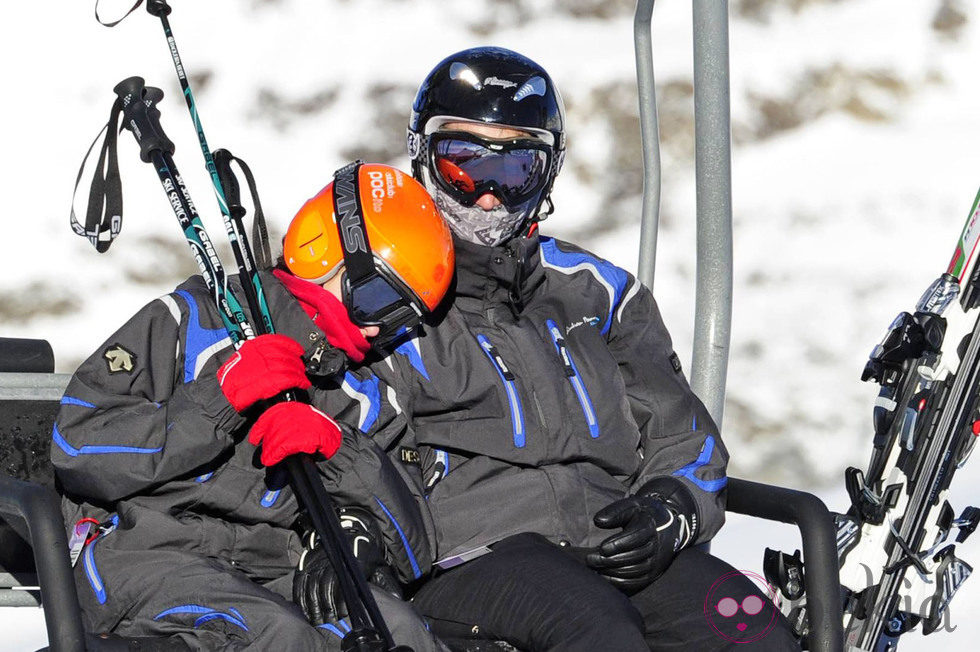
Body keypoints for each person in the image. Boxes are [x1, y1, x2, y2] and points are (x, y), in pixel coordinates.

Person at [286, 46, 801, 651]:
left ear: (548, 172)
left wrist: (670, 507)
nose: (486, 197)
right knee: (601, 635)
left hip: (608, 541)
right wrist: (349, 528)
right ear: (422, 158)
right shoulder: (383, 297)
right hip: (467, 554)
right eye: (464, 164)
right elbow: (345, 441)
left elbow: (683, 436)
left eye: (514, 171)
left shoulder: (599, 295)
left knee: (753, 632)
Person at [52, 163, 454, 651]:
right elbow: (77, 445)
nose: (376, 331)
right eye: (375, 300)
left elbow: (415, 551)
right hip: (144, 554)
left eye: (399, 319)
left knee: (400, 630)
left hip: (272, 569)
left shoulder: (368, 390)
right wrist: (216, 403)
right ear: (322, 250)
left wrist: (339, 450)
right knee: (278, 639)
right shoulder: (194, 321)